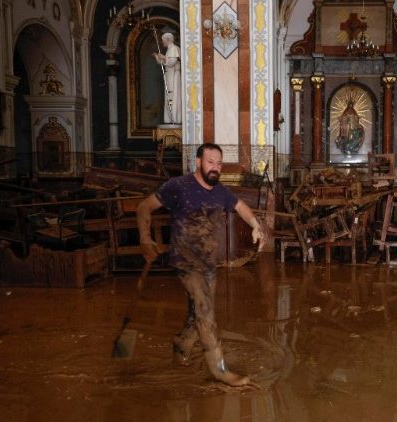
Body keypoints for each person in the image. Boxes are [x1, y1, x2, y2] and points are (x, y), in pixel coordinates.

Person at [136, 143, 264, 387]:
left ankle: (182, 343)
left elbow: (240, 207)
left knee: (198, 316)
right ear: (197, 162)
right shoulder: (178, 186)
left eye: (219, 163)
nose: (215, 167)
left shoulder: (220, 192)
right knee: (205, 310)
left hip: (208, 265)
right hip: (186, 262)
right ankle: (220, 370)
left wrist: (255, 224)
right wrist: (144, 237)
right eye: (210, 162)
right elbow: (145, 206)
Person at [153, 31, 182, 124]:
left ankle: (175, 118)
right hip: (169, 75)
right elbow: (165, 63)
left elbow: (172, 62)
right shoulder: (169, 49)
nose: (162, 42)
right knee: (169, 96)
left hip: (174, 75)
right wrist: (158, 57)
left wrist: (164, 57)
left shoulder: (175, 48)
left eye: (163, 40)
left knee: (173, 96)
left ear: (168, 40)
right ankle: (169, 118)